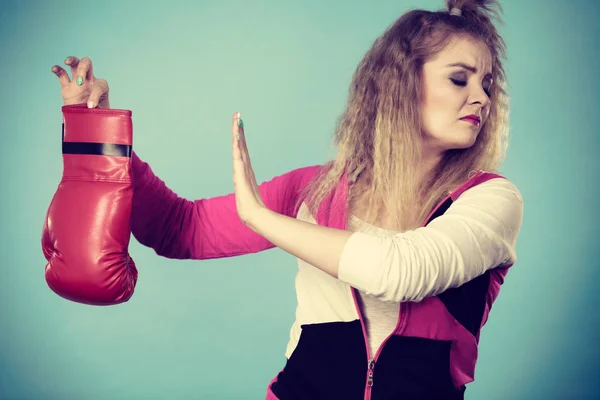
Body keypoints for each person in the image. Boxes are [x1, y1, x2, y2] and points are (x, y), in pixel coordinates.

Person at [49, 0, 523, 398]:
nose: (481, 98)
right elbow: (178, 228)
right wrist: (99, 131)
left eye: (487, 84)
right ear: (399, 83)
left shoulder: (489, 201)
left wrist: (258, 216)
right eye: (460, 79)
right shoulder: (314, 190)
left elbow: (397, 271)